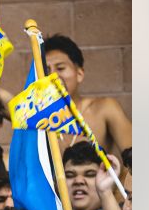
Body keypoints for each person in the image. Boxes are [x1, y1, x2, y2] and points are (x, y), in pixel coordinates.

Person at [42, 34, 132, 162]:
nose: (53, 76)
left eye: (60, 68)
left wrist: (119, 180)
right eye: (46, 71)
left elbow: (135, 159)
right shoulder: (36, 118)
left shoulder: (104, 109)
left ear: (79, 74)